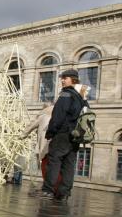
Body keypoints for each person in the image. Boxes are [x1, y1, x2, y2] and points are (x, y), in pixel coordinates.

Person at [41, 69, 89, 201]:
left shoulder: (66, 94)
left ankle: (48, 190)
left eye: (65, 78)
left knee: (54, 161)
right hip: (76, 135)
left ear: (73, 79)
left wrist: (51, 132)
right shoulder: (81, 97)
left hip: (62, 134)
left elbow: (58, 115)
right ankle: (64, 192)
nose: (62, 80)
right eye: (62, 78)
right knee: (69, 163)